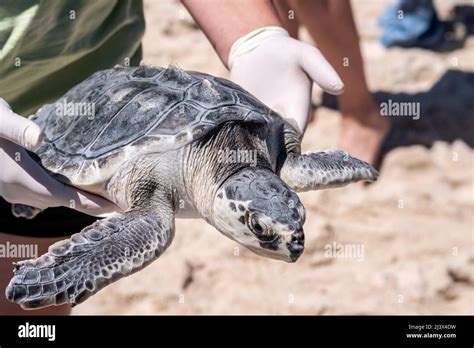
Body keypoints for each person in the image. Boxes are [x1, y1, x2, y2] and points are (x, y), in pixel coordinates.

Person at [0, 0, 385, 314]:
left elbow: (291, 166)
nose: (291, 246)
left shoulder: (269, 151)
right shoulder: (154, 211)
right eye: (262, 230)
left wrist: (253, 33)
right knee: (145, 233)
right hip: (55, 125)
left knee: (27, 313)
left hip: (87, 79)